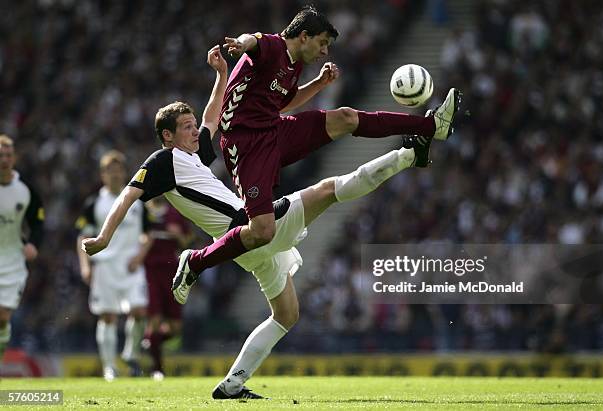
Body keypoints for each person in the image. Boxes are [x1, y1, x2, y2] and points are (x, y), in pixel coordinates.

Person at [81, 45, 454, 398]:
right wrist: (103, 237)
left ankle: (232, 383)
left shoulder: (193, 157)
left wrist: (221, 74)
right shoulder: (162, 162)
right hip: (248, 227)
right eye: (186, 127)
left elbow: (214, 114)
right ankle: (409, 153)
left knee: (287, 314)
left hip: (247, 244)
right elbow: (128, 195)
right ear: (167, 136)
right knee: (327, 189)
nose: (196, 131)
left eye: (193, 125)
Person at [167, 5, 461, 284]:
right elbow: (253, 41)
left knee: (345, 117)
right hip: (245, 146)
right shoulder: (275, 46)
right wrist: (242, 45)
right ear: (303, 36)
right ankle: (195, 263)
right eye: (322, 43)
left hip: (274, 130)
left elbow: (283, 103)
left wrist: (319, 84)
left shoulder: (293, 65)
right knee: (262, 231)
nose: (324, 51)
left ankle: (432, 126)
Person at [76, 150, 151, 381]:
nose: (116, 175)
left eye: (119, 170)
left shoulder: (137, 201)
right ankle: (110, 367)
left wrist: (140, 256)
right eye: (111, 170)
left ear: (124, 173)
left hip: (131, 265)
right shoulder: (94, 203)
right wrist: (85, 266)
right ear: (103, 175)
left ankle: (130, 353)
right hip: (105, 267)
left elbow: (148, 234)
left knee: (138, 311)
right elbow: (82, 236)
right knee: (107, 317)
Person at [0, 135, 44, 365]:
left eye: (8, 155)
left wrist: (32, 244)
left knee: (3, 317)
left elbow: (38, 222)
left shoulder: (25, 190)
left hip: (11, 261)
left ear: (14, 158)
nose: (4, 160)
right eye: (0, 155)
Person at [142, 196, 193, 379]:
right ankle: (158, 368)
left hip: (172, 271)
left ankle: (149, 342)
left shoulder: (174, 213)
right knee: (154, 320)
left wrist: (178, 235)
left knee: (175, 328)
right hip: (149, 272)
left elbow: (187, 242)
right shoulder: (142, 212)